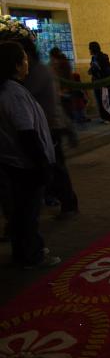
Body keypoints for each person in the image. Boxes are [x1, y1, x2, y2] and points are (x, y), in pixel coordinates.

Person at [0, 41, 60, 268]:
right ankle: (31, 255)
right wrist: (42, 163)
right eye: (24, 60)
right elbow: (26, 131)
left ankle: (25, 249)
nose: (28, 64)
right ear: (16, 65)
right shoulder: (13, 93)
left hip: (15, 162)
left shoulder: (10, 89)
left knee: (20, 211)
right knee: (27, 212)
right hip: (24, 164)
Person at [22, 37, 79, 219]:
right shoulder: (40, 71)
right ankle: (60, 199)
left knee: (55, 168)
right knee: (54, 167)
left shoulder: (38, 73)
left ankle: (67, 203)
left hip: (49, 127)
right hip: (48, 125)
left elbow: (34, 98)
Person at [88, 41, 110, 123]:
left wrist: (97, 68)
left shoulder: (103, 57)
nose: (89, 50)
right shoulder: (93, 58)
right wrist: (91, 70)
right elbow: (93, 67)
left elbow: (106, 70)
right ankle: (103, 117)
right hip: (96, 82)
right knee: (99, 100)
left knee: (105, 100)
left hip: (104, 82)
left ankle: (108, 117)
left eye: (90, 48)